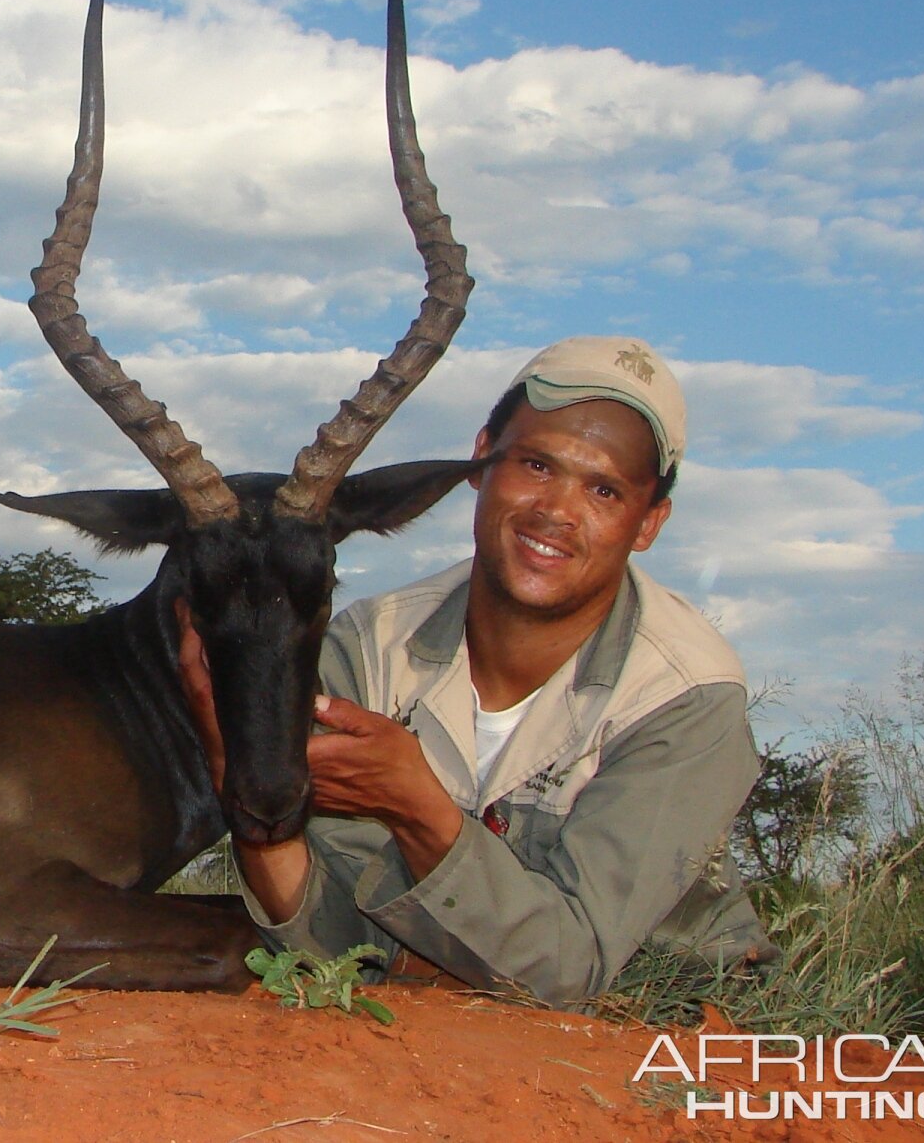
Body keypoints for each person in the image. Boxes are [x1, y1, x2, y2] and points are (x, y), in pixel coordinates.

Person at [179, 336, 772, 1006]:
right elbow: (336, 945)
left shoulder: (685, 692)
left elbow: (571, 972)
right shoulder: (365, 648)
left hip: (657, 1020)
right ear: (480, 461)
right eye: (536, 465)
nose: (556, 511)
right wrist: (240, 775)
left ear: (648, 523)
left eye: (604, 489)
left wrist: (419, 811)